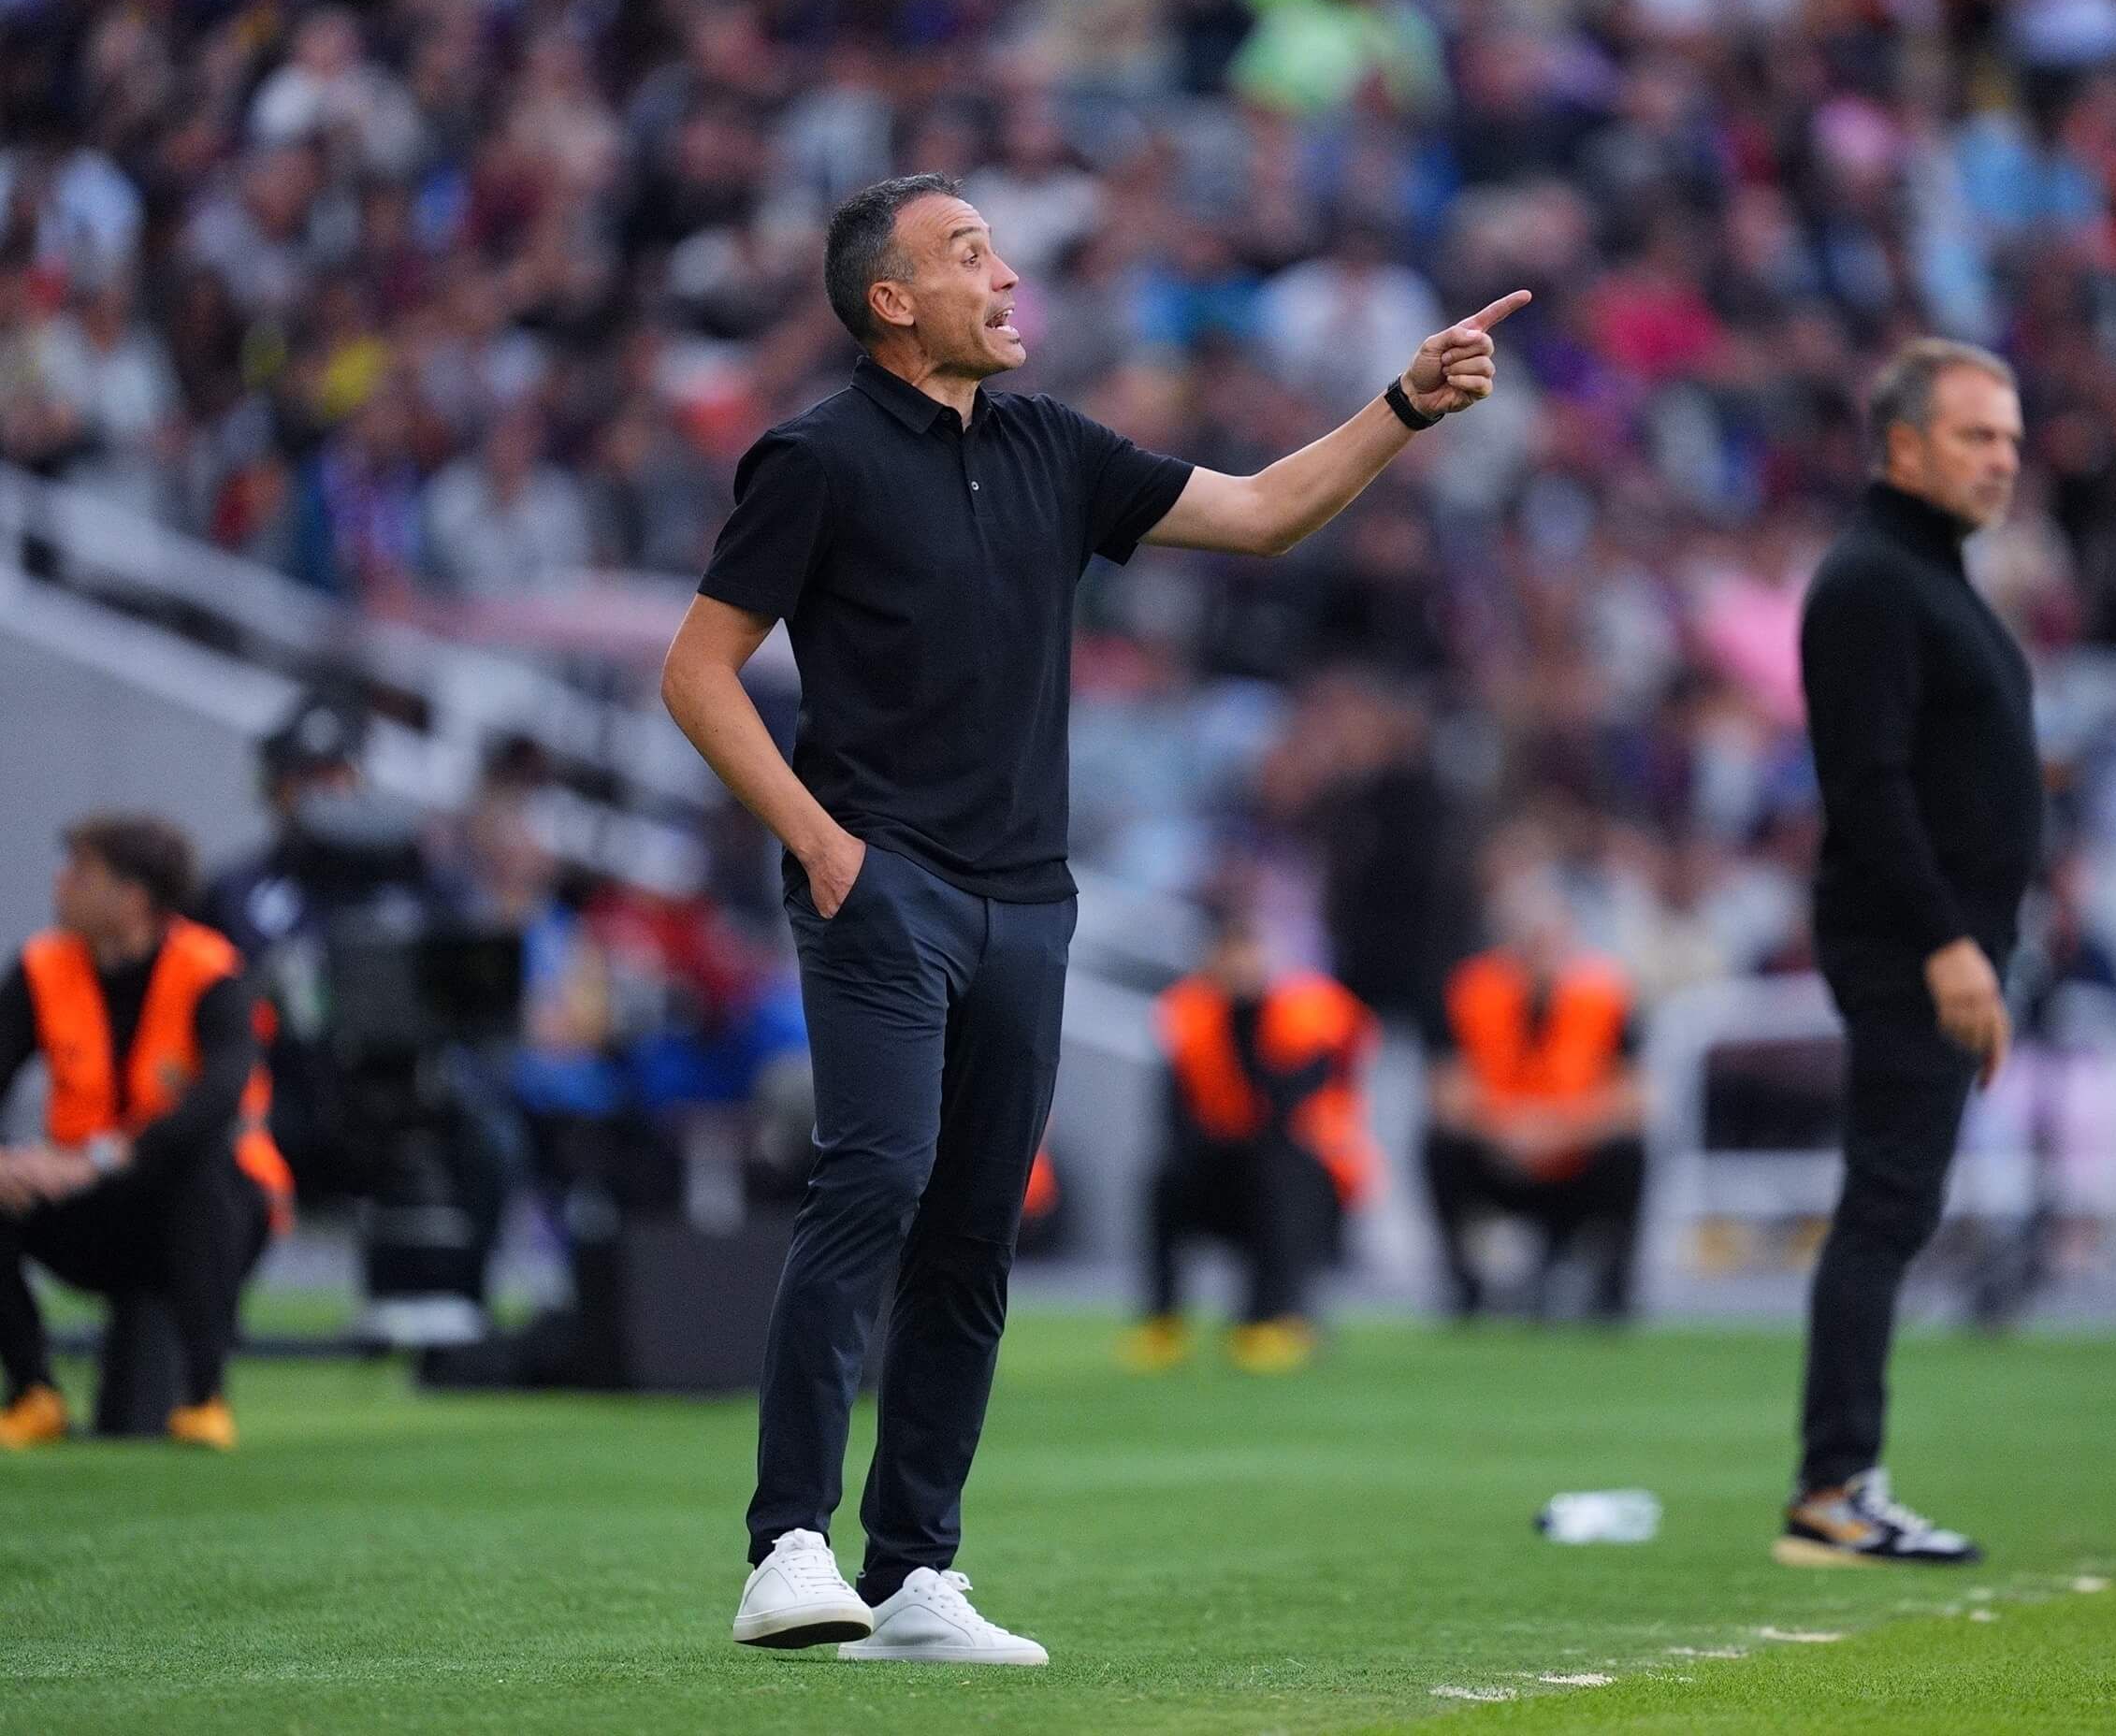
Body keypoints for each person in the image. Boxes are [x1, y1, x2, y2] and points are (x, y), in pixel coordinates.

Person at [662, 171, 1523, 1664]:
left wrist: (1406, 402)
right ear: (890, 300)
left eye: (1000, 253)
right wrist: (819, 842)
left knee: (975, 1234)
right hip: (884, 883)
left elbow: (1261, 515)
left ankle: (916, 1570)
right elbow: (697, 670)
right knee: (875, 1183)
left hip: (1028, 899)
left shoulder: (1055, 447)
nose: (1006, 279)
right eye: (969, 255)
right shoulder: (814, 459)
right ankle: (787, 1546)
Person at [1783, 339, 2042, 1569]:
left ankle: (1842, 1482)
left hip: (1937, 940)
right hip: (1907, 944)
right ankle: (1836, 1489)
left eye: (2010, 440)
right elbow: (1868, 786)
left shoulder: (1925, 574)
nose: (2004, 461)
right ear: (1901, 445)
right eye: (1977, 436)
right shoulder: (1877, 581)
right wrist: (1947, 943)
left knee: (1894, 1204)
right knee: (1885, 1206)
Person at [0, 816, 292, 1453]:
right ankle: (32, 1392)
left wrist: (99, 1158)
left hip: (206, 1215)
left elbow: (216, 1101)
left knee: (206, 1168)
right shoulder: (42, 969)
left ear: (133, 897)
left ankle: (203, 1398)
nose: (61, 883)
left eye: (82, 873)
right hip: (91, 1212)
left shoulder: (212, 973)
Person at [1124, 902, 1378, 1376]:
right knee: (1163, 1178)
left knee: (1280, 1170)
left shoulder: (1311, 1012)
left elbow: (1290, 1106)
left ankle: (1273, 1315)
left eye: (1250, 949)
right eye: (1229, 950)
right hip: (1223, 1162)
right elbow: (1175, 1113)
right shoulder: (1189, 1012)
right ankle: (1162, 1320)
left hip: (1312, 1174)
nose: (1240, 962)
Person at [1422, 860, 1645, 1324]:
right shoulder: (1470, 990)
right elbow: (1445, 1093)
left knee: (1631, 1151)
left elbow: (1635, 1099)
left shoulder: (1607, 994)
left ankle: (1613, 1287)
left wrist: (1559, 1130)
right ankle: (1465, 1282)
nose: (1540, 947)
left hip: (1578, 1152)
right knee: (1438, 1145)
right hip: (1496, 1149)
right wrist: (1509, 1128)